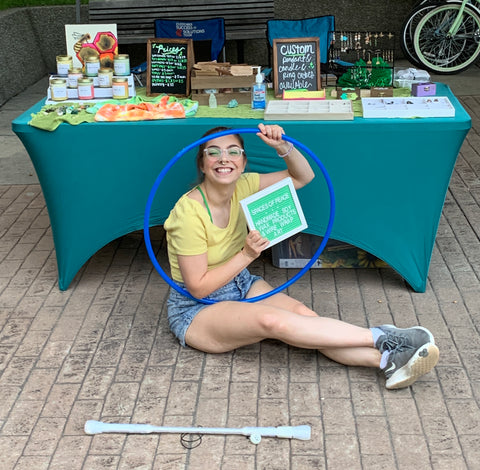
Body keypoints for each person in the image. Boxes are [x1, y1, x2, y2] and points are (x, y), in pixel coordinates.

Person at [163, 123, 439, 390]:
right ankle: (384, 336)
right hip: (196, 308)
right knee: (273, 321)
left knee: (305, 317)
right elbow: (199, 286)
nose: (224, 159)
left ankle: (388, 361)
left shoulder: (244, 184)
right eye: (214, 152)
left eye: (233, 151)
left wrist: (283, 146)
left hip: (239, 283)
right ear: (202, 163)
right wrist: (247, 254)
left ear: (244, 162)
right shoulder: (189, 213)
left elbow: (302, 177)